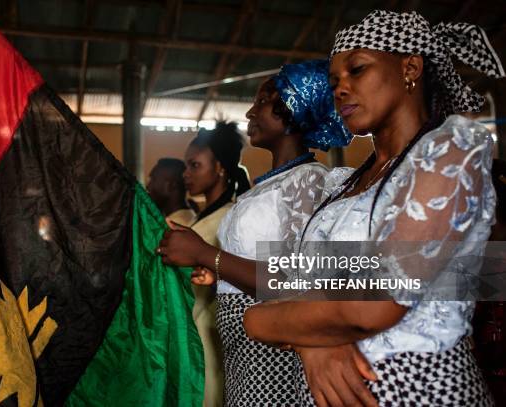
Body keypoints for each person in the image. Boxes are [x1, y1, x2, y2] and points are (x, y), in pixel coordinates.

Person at [242, 10, 505, 406]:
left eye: (357, 70)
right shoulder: (343, 183)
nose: (341, 89)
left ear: (410, 68)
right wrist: (311, 342)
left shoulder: (449, 150)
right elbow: (291, 281)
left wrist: (264, 321)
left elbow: (376, 305)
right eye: (334, 82)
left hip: (414, 390)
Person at [158, 60, 356, 405]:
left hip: (273, 352)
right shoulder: (269, 186)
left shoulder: (307, 183)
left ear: (292, 109)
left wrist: (206, 254)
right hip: (242, 347)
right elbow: (259, 264)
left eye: (262, 101)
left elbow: (297, 280)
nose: (250, 112)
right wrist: (218, 272)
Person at [181, 121, 250, 407]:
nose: (186, 174)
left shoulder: (231, 219)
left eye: (194, 166)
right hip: (190, 338)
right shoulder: (199, 219)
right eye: (186, 166)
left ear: (220, 167)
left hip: (211, 343)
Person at [147, 158, 196, 225]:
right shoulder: (186, 218)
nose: (148, 186)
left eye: (153, 179)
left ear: (170, 186)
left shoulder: (176, 227)